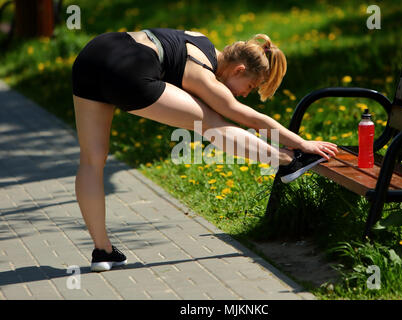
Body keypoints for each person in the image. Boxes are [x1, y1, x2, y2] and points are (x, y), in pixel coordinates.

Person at [71, 28, 338, 272]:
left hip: (94, 55)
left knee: (91, 160)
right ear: (238, 69)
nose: (244, 94)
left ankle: (102, 251)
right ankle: (287, 161)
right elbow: (248, 117)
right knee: (212, 125)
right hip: (129, 69)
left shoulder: (198, 39)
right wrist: (301, 144)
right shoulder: (203, 73)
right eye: (250, 87)